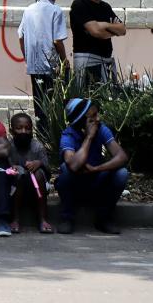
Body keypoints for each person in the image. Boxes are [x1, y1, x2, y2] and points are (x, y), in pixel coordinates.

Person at [55, 98, 129, 234]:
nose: (98, 118)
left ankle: (103, 219)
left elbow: (121, 157)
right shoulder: (68, 135)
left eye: (97, 114)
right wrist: (89, 137)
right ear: (81, 120)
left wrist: (97, 168)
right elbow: (74, 165)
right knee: (66, 170)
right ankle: (67, 218)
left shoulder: (101, 129)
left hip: (96, 181)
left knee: (122, 173)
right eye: (93, 116)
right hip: (76, 184)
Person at [18, 0, 69, 134]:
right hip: (52, 65)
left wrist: (27, 57)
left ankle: (42, 135)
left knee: (39, 104)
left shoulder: (28, 10)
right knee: (56, 103)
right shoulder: (56, 11)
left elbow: (21, 36)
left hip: (34, 65)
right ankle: (53, 137)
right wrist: (64, 60)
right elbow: (57, 40)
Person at [70, 0, 125, 86]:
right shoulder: (80, 4)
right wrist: (111, 30)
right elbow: (95, 31)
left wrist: (104, 25)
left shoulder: (106, 7)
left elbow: (122, 29)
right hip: (88, 61)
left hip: (105, 61)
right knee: (89, 101)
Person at [7, 113, 53, 234]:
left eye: (27, 128)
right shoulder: (8, 147)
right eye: (19, 128)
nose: (23, 131)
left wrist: (39, 163)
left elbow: (48, 174)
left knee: (38, 174)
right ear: (11, 131)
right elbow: (3, 170)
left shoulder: (37, 147)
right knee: (19, 173)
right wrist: (12, 168)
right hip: (14, 189)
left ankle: (43, 219)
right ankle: (15, 219)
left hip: (36, 189)